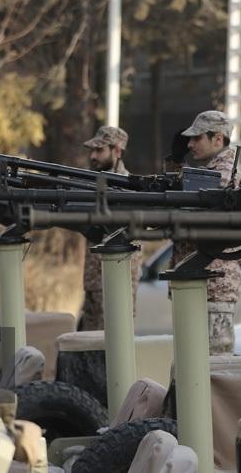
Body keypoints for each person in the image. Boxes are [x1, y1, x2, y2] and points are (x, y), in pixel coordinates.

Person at [170, 111, 241, 354]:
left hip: (213, 286)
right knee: (191, 362)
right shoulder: (209, 172)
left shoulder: (224, 174)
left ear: (217, 139)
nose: (190, 145)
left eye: (197, 138)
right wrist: (176, 163)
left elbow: (191, 207)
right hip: (200, 284)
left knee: (213, 365)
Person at [79, 125, 141, 330]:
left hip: (117, 281)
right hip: (94, 284)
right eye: (92, 150)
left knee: (116, 336)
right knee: (90, 341)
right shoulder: (94, 183)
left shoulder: (129, 188)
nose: (93, 156)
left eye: (99, 150)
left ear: (117, 151)